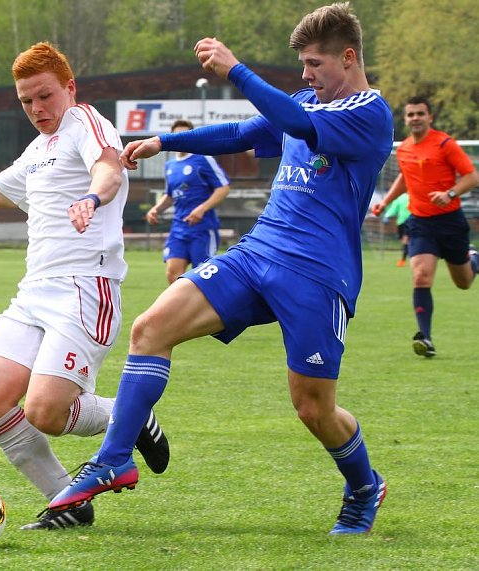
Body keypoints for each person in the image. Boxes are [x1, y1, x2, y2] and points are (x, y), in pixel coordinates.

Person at [48, 3, 392, 535]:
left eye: (315, 64)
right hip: (257, 254)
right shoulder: (306, 100)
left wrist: (236, 70)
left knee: (313, 408)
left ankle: (365, 486)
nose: (305, 75)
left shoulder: (368, 114)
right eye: (302, 64)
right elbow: (243, 134)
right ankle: (115, 458)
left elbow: (297, 122)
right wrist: (167, 141)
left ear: (348, 58)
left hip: (318, 276)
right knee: (150, 327)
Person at [0, 41, 169, 531]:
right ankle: (68, 502)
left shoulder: (86, 122)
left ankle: (126, 415)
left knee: (45, 411)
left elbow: (107, 168)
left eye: (45, 96)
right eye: (26, 101)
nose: (37, 109)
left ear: (69, 87)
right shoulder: (39, 149)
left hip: (86, 288)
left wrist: (92, 196)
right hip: (34, 292)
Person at [370, 96, 479, 358]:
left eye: (420, 114)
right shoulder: (405, 149)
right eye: (410, 115)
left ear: (429, 117)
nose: (415, 118)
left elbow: (472, 176)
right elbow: (405, 178)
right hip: (419, 223)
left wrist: (450, 194)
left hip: (450, 222)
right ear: (406, 120)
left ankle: (473, 259)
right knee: (421, 277)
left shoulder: (445, 144)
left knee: (463, 282)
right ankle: (425, 338)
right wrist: (385, 202)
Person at [146, 119, 231, 284]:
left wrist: (201, 209)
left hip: (202, 229)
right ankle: (182, 309)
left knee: (202, 278)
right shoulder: (170, 165)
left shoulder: (203, 159)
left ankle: (211, 309)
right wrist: (156, 209)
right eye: (176, 135)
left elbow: (223, 188)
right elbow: (170, 195)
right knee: (172, 273)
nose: (180, 138)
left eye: (184, 135)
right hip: (178, 228)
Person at [380, 193, 410, 267]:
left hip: (404, 222)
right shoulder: (409, 196)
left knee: (405, 240)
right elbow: (394, 208)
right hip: (409, 221)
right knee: (406, 241)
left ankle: (403, 260)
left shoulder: (400, 197)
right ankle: (406, 258)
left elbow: (393, 209)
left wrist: (387, 216)